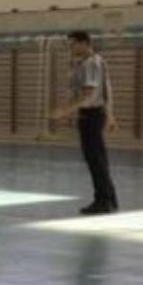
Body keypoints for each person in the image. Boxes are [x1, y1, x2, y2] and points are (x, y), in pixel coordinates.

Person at [52, 30, 119, 215]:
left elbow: (88, 95)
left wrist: (64, 111)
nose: (70, 48)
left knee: (95, 161)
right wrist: (110, 115)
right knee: (99, 160)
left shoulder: (90, 64)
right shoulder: (96, 61)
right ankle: (110, 198)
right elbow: (107, 90)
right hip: (93, 114)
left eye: (73, 44)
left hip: (91, 116)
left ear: (85, 43)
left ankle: (103, 201)